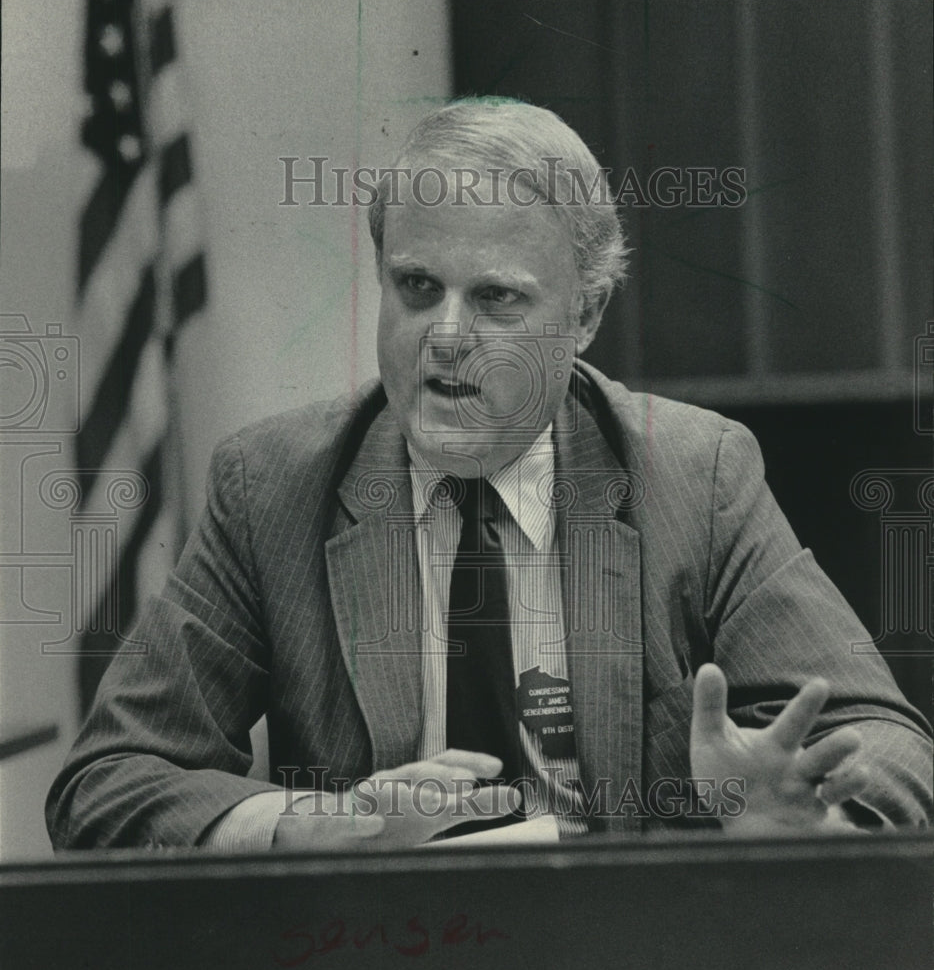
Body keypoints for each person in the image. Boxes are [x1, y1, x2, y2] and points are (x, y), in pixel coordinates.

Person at [47, 100, 932, 851]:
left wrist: (812, 820)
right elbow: (106, 781)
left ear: (584, 315)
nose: (446, 337)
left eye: (498, 299)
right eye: (418, 287)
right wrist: (313, 821)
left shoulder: (694, 475)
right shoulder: (273, 484)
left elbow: (892, 744)